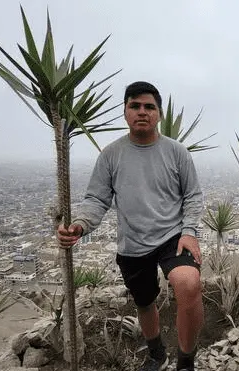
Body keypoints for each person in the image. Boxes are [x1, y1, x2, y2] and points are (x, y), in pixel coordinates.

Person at [57, 81, 204, 371]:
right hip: (133, 241)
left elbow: (193, 195)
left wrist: (189, 232)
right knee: (144, 301)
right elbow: (96, 199)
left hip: (172, 236)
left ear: (159, 114)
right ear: (124, 112)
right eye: (134, 106)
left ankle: (186, 360)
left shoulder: (177, 152)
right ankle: (156, 353)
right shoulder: (111, 155)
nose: (142, 112)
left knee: (188, 285)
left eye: (149, 106)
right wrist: (80, 225)